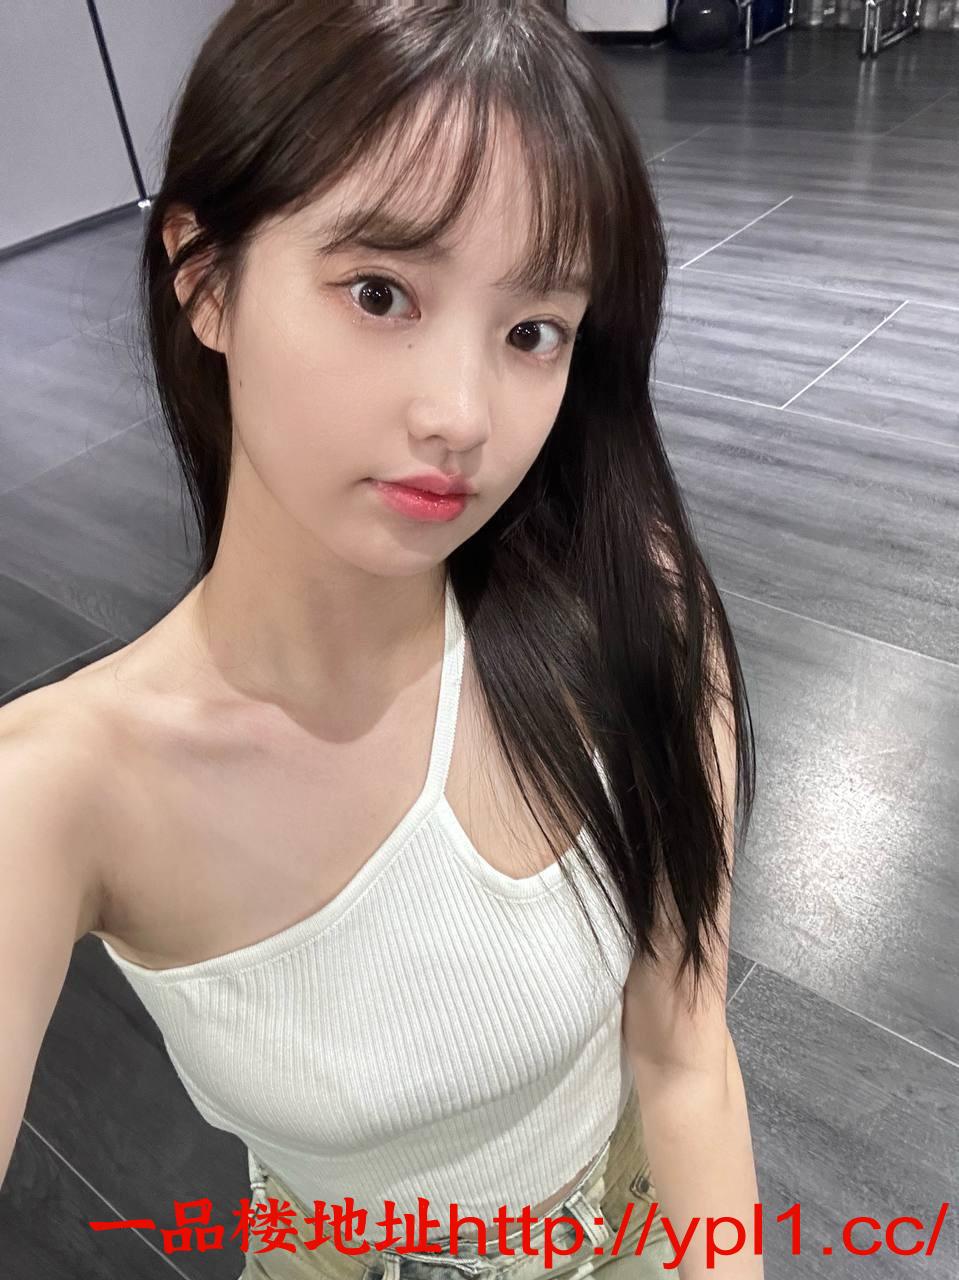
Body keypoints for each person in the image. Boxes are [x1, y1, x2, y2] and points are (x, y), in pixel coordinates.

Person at [0, 2, 763, 1277]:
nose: (460, 415)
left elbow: (685, 1060)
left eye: (530, 331)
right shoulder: (59, 788)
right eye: (379, 291)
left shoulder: (633, 622)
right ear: (204, 277)